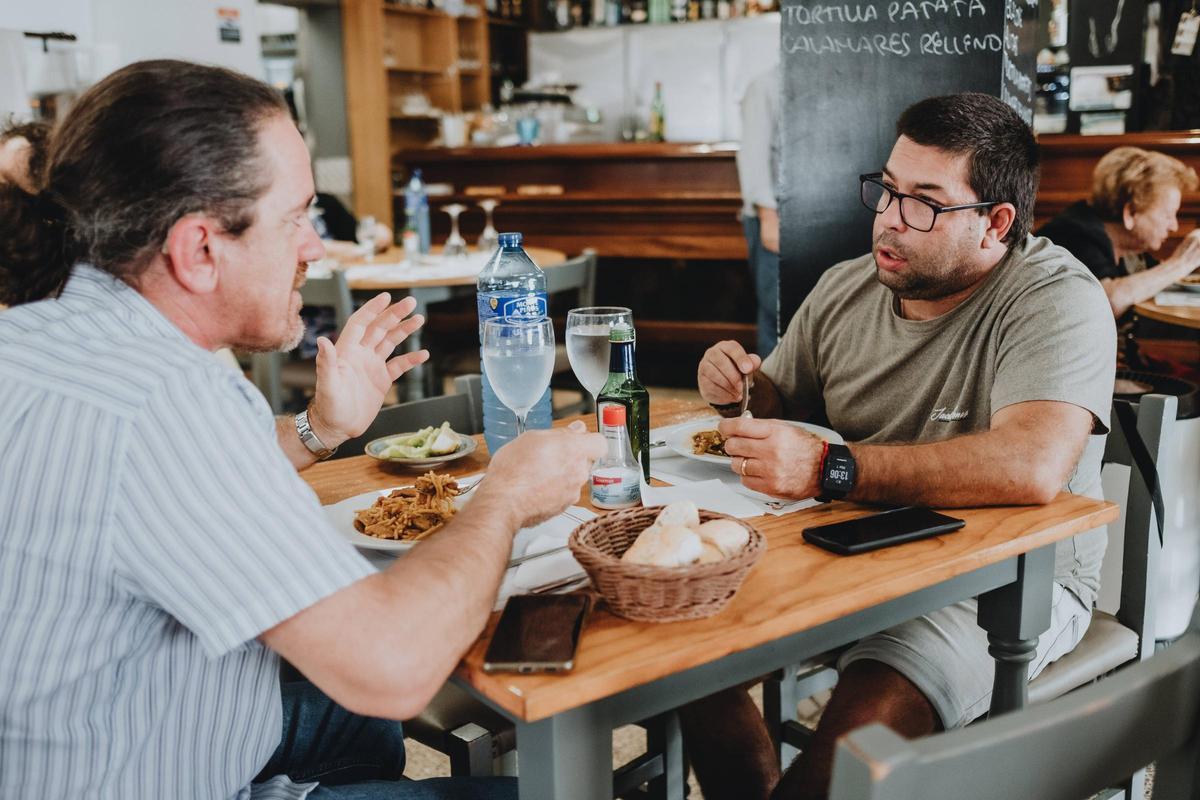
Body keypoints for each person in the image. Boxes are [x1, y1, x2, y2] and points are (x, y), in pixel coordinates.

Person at [0, 59, 606, 800]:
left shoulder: (42, 336)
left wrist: (319, 429)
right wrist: (506, 498)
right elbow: (396, 666)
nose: (315, 246)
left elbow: (156, 489)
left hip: (73, 739)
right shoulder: (168, 396)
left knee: (357, 727)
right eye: (297, 217)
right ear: (198, 250)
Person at [685, 93, 1117, 800]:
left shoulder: (1055, 296)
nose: (889, 218)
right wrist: (740, 389)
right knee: (681, 651)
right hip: (852, 553)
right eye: (887, 189)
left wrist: (830, 468)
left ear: (995, 223)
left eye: (924, 203)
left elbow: (1031, 465)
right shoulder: (846, 285)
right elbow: (783, 402)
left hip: (1009, 582)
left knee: (845, 765)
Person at [1036, 146, 1200, 318]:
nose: (1173, 226)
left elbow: (1154, 277)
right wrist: (1181, 263)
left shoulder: (1126, 245)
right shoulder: (1076, 235)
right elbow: (1105, 302)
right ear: (1130, 213)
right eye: (1167, 215)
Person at [736, 63, 781, 356]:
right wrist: (768, 217)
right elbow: (753, 156)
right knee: (774, 313)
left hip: (803, 217)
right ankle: (770, 397)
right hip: (773, 217)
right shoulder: (764, 85)